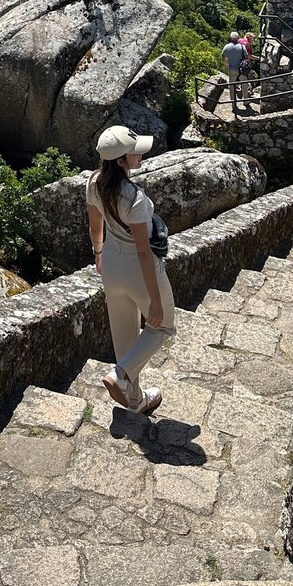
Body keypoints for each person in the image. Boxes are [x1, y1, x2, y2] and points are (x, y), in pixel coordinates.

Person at [86, 126, 175, 417]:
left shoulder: (94, 182)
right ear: (122, 160)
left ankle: (135, 399)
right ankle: (120, 374)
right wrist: (156, 300)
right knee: (161, 326)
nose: (139, 155)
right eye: (134, 152)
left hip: (111, 263)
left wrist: (99, 253)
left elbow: (94, 227)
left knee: (124, 335)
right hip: (136, 267)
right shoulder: (134, 197)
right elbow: (143, 251)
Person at [222, 30, 248, 105]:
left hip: (232, 69)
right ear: (238, 38)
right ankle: (245, 100)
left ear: (230, 38)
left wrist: (226, 64)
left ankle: (233, 103)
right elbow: (246, 57)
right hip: (241, 69)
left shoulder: (226, 47)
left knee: (232, 86)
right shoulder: (242, 47)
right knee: (244, 84)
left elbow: (223, 59)